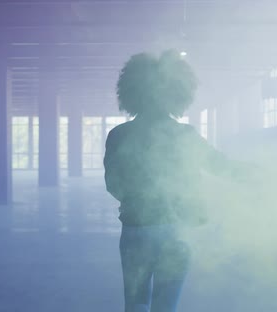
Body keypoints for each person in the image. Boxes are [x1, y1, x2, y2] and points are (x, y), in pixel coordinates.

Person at [104, 50, 240, 312]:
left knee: (135, 303)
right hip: (177, 230)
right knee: (166, 306)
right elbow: (220, 167)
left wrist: (137, 201)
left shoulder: (119, 135)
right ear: (179, 93)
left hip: (135, 229)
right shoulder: (185, 135)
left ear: (132, 91)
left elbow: (113, 184)